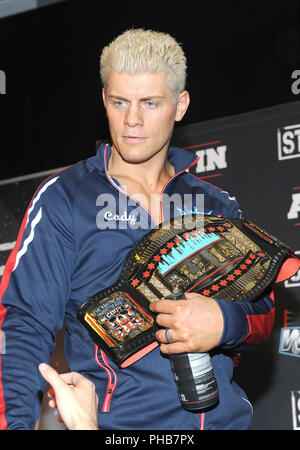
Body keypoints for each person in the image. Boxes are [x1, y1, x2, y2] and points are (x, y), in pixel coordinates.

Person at [0, 28, 275, 430]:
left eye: (150, 103)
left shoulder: (216, 205)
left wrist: (222, 321)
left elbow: (265, 312)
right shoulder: (67, 198)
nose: (131, 119)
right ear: (104, 101)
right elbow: (21, 326)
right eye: (119, 102)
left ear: (180, 105)